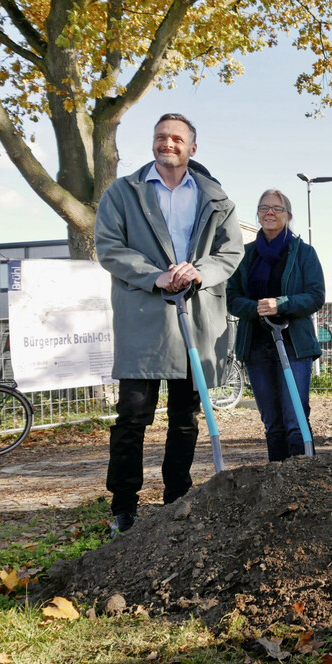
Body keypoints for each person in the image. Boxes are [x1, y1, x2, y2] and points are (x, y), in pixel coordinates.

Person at [94, 113, 244, 534]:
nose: (168, 144)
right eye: (161, 137)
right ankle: (124, 506)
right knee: (132, 416)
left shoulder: (216, 198)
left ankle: (177, 498)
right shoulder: (123, 193)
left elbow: (230, 252)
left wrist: (200, 271)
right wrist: (153, 275)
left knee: (185, 416)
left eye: (178, 139)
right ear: (153, 143)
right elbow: (108, 245)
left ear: (192, 148)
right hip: (145, 316)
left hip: (194, 318)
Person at [226, 190, 325, 461]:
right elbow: (232, 298)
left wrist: (281, 304)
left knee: (295, 419)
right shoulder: (245, 256)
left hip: (294, 345)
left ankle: (306, 480)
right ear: (258, 214)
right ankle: (278, 485)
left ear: (288, 216)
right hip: (257, 346)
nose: (270, 212)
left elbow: (316, 296)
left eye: (277, 208)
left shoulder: (303, 253)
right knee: (272, 423)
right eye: (264, 207)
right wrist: (257, 309)